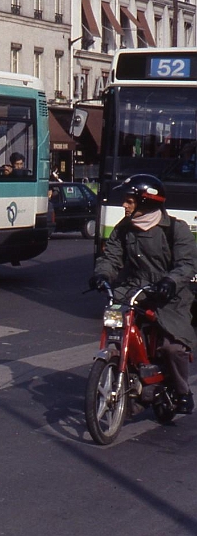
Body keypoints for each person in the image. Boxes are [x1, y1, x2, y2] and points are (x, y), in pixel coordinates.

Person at [90, 174, 196, 414]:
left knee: (173, 348)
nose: (124, 205)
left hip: (171, 295)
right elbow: (111, 258)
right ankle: (125, 371)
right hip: (133, 289)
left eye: (129, 200)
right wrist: (102, 274)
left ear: (146, 202)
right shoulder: (124, 228)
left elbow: (187, 264)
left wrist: (170, 281)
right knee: (116, 324)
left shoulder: (175, 229)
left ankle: (182, 391)